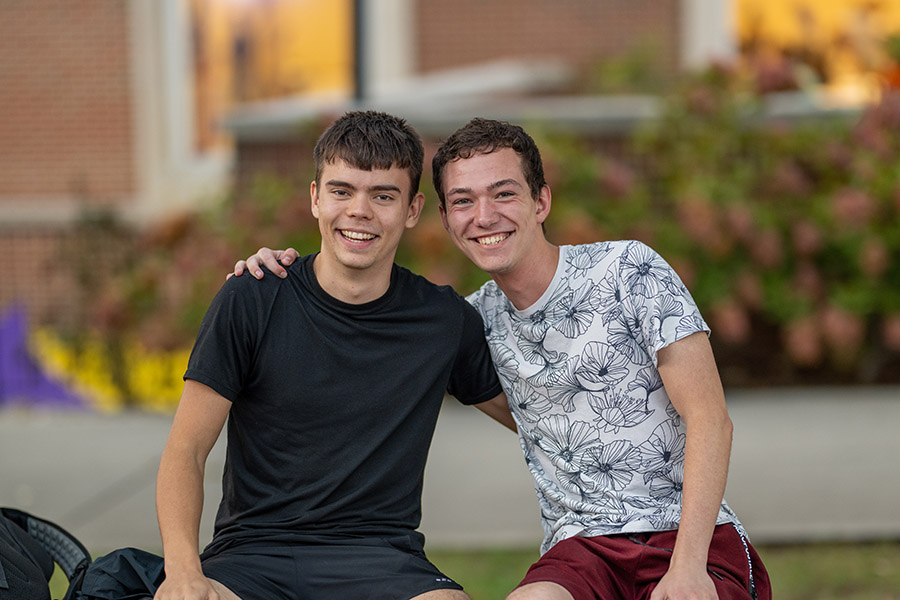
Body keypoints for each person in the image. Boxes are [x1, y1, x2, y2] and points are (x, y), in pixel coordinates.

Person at [238, 117, 771, 600]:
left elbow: (710, 421)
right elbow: (355, 331)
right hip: (580, 550)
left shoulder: (629, 270)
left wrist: (686, 568)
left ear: (541, 202)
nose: (484, 216)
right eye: (464, 201)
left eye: (503, 194)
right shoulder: (464, 324)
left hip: (691, 536)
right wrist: (277, 271)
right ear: (443, 219)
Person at [155, 111, 512, 600]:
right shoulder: (253, 298)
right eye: (342, 191)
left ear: (412, 209)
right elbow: (185, 451)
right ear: (316, 199)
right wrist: (182, 573)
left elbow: (535, 417)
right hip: (252, 555)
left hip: (383, 558)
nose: (359, 211)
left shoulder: (442, 321)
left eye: (383, 195)